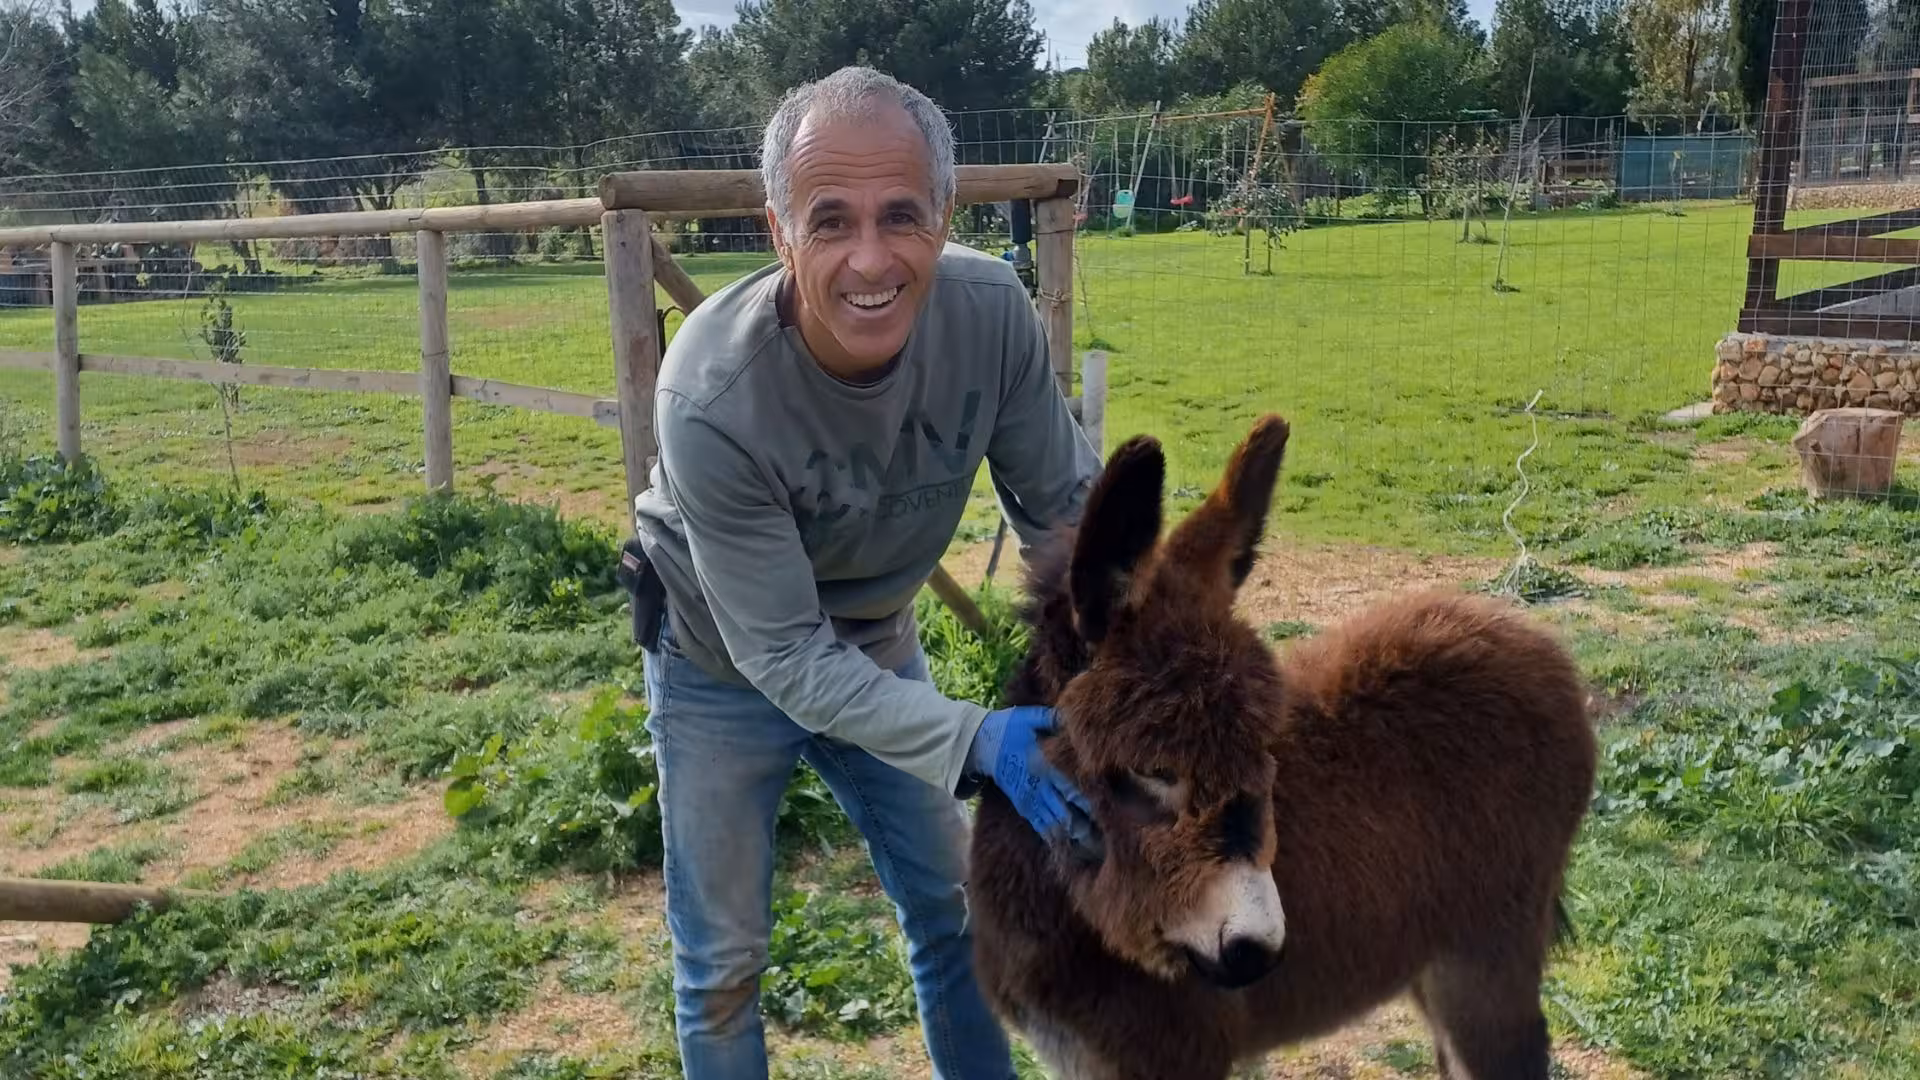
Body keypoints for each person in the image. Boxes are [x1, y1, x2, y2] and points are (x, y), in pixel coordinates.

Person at [627, 65, 1102, 1080]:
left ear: (943, 216)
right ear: (777, 231)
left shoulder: (990, 317)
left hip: (876, 636)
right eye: (830, 220)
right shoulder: (712, 395)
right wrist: (977, 740)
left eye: (901, 216)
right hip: (722, 663)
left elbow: (1070, 519)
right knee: (722, 962)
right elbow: (788, 657)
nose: (870, 258)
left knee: (955, 909)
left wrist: (1154, 648)